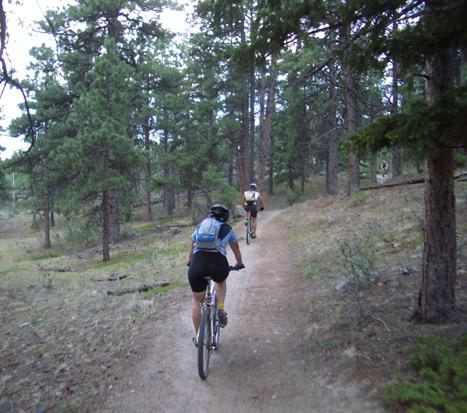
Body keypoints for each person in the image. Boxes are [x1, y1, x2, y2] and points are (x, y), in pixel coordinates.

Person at [187, 204, 244, 343]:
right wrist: (239, 263)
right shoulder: (227, 229)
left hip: (197, 265)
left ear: (210, 215)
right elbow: (236, 249)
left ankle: (199, 336)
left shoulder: (201, 225)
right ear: (225, 217)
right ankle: (221, 308)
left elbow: (192, 244)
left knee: (197, 302)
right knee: (220, 280)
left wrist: (190, 261)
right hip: (218, 264)